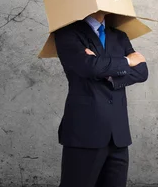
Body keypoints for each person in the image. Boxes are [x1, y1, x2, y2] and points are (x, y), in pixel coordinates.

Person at [54, 11, 149, 187]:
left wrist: (107, 73)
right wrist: (127, 61)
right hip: (84, 132)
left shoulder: (120, 36)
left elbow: (142, 72)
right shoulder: (67, 34)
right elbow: (89, 67)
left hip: (118, 134)